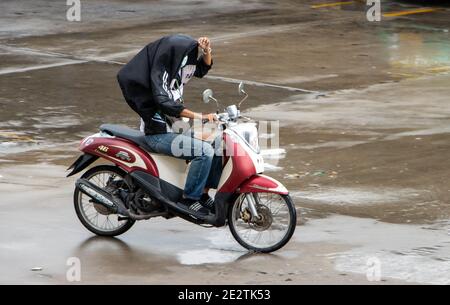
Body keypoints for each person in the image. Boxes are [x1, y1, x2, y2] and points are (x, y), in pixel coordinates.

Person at [117, 34, 221, 215]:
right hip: (158, 134)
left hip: (177, 129)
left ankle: (203, 194)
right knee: (204, 152)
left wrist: (206, 51)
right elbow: (164, 103)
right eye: (183, 55)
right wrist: (200, 116)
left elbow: (201, 69)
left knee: (220, 143)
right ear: (173, 55)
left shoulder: (177, 70)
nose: (185, 60)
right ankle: (190, 199)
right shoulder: (159, 75)